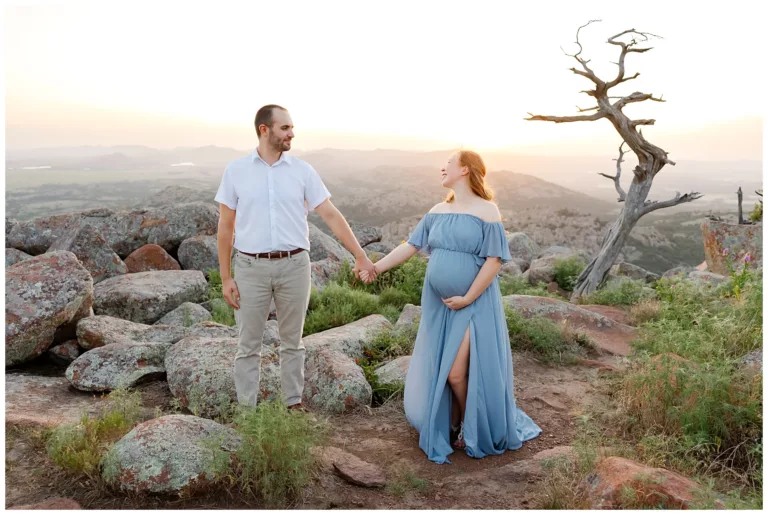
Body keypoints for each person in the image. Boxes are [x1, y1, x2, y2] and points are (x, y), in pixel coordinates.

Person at [360, 150, 541, 464]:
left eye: (448, 164)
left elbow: (494, 260)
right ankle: (456, 423)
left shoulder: (488, 211)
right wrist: (377, 268)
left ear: (466, 170)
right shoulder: (437, 210)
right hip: (439, 305)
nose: (442, 169)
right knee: (444, 370)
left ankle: (468, 424)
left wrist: (468, 297)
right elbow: (411, 246)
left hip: (473, 303)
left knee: (456, 374)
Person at [215, 104, 378, 411]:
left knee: (293, 341)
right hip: (250, 268)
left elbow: (329, 213)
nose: (292, 133)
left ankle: (293, 405)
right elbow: (226, 226)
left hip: (294, 266)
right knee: (248, 345)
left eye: (291, 128)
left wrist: (360, 255)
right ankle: (248, 415)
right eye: (285, 128)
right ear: (265, 130)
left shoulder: (302, 171)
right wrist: (226, 277)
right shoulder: (236, 171)